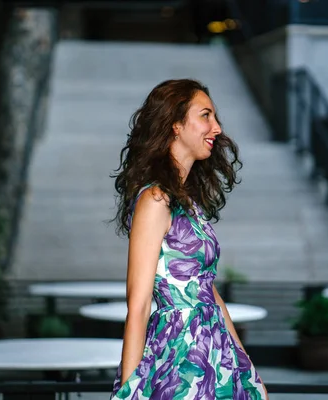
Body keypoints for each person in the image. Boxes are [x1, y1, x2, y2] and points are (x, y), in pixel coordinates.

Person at [110, 79, 268, 399]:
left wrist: (247, 370)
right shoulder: (155, 200)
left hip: (217, 359)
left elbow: (209, 293)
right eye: (206, 115)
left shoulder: (187, 202)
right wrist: (128, 390)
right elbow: (138, 305)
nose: (217, 127)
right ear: (176, 125)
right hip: (180, 364)